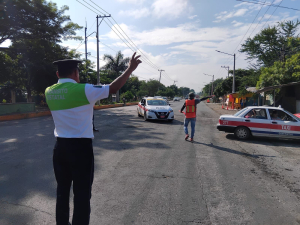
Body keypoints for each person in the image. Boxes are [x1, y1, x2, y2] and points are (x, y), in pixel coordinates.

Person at [45, 53, 141, 225]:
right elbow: (112, 88)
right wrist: (129, 69)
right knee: (82, 194)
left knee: (62, 191)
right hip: (80, 149)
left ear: (58, 75)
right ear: (75, 73)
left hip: (59, 148)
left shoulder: (49, 91)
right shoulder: (84, 90)